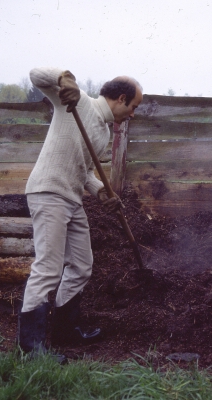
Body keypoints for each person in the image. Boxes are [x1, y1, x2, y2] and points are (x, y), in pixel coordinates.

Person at [18, 67, 143, 355]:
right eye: (133, 107)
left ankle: (65, 332)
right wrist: (65, 80)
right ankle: (30, 347)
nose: (133, 114)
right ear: (121, 98)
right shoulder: (78, 102)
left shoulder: (102, 131)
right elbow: (37, 74)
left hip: (71, 199)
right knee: (48, 268)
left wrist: (101, 192)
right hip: (48, 192)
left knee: (82, 265)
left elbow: (86, 171)